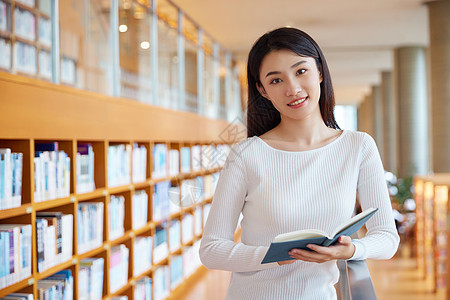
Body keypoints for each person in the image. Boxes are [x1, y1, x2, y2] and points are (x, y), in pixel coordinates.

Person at [199, 27, 399, 300]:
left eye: (300, 71)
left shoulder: (358, 147)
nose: (292, 88)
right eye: (276, 80)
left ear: (319, 72)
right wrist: (274, 256)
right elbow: (212, 249)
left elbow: (387, 238)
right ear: (263, 90)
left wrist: (350, 250)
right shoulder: (246, 155)